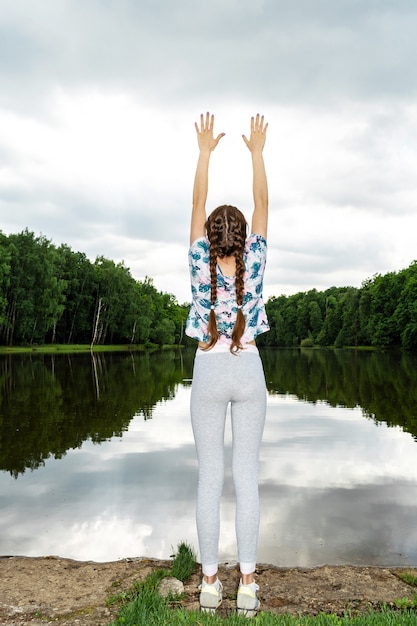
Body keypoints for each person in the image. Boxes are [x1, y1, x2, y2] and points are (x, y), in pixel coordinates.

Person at [186, 112, 269, 617]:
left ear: (212, 237)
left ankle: (211, 583)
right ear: (241, 237)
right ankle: (250, 586)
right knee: (247, 477)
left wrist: (204, 153)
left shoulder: (198, 259)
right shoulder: (256, 257)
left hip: (209, 373)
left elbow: (197, 203)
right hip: (250, 371)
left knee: (209, 477)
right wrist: (257, 152)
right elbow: (263, 203)